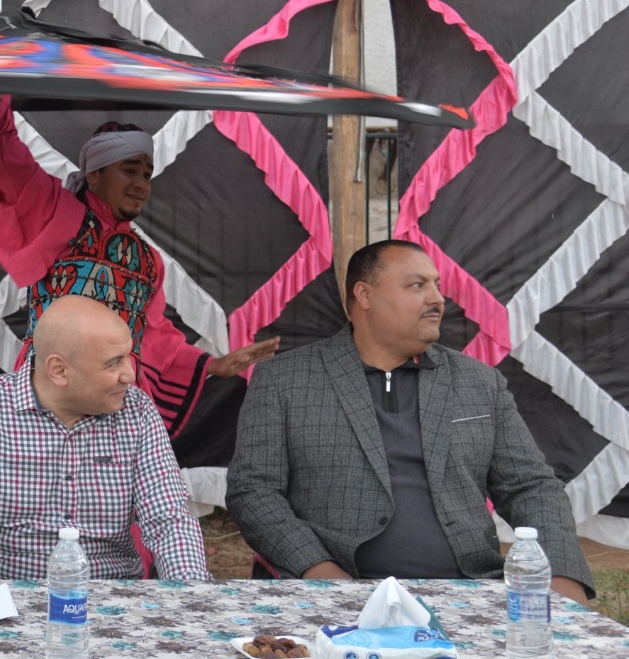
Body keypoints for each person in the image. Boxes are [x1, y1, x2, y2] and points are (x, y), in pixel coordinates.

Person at [227, 239, 593, 602]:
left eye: (437, 285)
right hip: (336, 589)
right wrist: (319, 571)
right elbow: (253, 491)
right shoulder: (285, 380)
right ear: (365, 295)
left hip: (467, 589)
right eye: (417, 285)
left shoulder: (478, 381)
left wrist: (562, 577)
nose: (437, 299)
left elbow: (530, 486)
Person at [0, 93, 278, 441]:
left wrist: (212, 365)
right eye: (129, 171)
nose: (141, 185)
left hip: (116, 410)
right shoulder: (54, 212)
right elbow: (5, 150)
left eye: (146, 174)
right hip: (51, 397)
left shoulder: (148, 260)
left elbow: (155, 335)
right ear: (95, 174)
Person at [0, 295, 211, 582]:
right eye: (113, 363)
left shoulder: (137, 411)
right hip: (2, 595)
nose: (129, 375)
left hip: (111, 598)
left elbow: (169, 520)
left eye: (128, 358)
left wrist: (193, 592)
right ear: (58, 370)